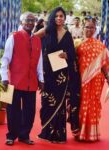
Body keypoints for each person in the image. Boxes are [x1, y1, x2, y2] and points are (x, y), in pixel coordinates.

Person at [34, 7, 80, 143]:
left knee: (59, 105)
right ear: (53, 17)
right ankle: (46, 132)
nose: (59, 18)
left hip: (61, 75)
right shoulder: (47, 31)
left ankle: (58, 135)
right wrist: (17, 34)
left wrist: (67, 54)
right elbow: (31, 38)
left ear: (65, 18)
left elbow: (72, 54)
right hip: (47, 73)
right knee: (46, 102)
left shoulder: (67, 34)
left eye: (61, 16)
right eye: (57, 16)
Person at [0, 12, 44, 146]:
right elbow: (5, 59)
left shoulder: (37, 40)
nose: (30, 22)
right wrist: (4, 77)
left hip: (31, 82)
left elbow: (39, 62)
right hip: (14, 81)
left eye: (32, 20)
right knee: (13, 110)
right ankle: (11, 135)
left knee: (29, 111)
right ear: (22, 22)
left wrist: (41, 79)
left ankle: (24, 135)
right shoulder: (13, 37)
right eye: (27, 20)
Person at [77, 18, 109, 142]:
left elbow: (104, 64)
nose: (89, 29)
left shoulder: (100, 45)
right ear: (83, 28)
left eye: (92, 27)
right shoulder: (77, 43)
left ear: (95, 29)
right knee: (82, 104)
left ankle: (93, 134)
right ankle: (81, 133)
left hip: (97, 80)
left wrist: (108, 79)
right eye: (87, 27)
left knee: (93, 104)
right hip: (82, 80)